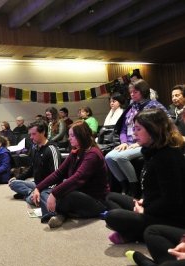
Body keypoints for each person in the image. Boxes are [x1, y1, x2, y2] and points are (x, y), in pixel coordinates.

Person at [105, 109, 185, 244]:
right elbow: (151, 187)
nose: (134, 133)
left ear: (153, 130)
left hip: (170, 217)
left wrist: (144, 210)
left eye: (138, 129)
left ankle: (136, 232)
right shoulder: (151, 151)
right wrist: (142, 200)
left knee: (113, 216)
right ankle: (134, 231)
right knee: (110, 197)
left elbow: (172, 200)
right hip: (152, 205)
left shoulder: (168, 156)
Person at [33, 120, 109, 228]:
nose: (69, 138)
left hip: (97, 201)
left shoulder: (93, 154)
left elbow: (78, 178)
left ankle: (59, 213)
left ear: (81, 136)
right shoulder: (76, 151)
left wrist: (54, 194)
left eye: (72, 136)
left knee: (66, 193)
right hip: (81, 194)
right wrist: (38, 188)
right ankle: (61, 212)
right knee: (54, 190)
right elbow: (58, 173)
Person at [105, 79, 169, 197]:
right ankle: (125, 186)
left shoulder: (154, 106)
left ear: (143, 92)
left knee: (120, 157)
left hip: (147, 143)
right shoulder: (131, 107)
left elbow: (164, 127)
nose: (132, 94)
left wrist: (140, 144)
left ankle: (134, 187)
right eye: (131, 92)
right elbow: (123, 128)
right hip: (129, 143)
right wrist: (124, 142)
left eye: (135, 92)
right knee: (108, 157)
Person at [9, 120, 62, 222]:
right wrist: (17, 178)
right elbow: (31, 169)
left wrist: (42, 190)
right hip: (37, 185)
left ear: (43, 133)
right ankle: (31, 194)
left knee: (42, 196)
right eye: (30, 134)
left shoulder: (51, 149)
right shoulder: (34, 148)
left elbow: (57, 176)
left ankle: (32, 198)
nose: (31, 137)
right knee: (13, 183)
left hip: (49, 187)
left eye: (34, 134)